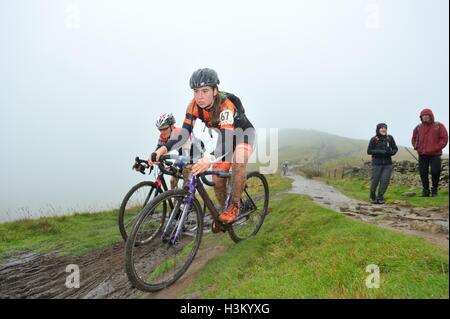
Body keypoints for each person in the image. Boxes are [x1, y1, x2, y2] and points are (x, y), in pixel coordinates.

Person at [149, 68, 255, 224]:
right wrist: (161, 150)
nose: (199, 96)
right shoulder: (193, 106)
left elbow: (228, 138)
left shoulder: (226, 106)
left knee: (238, 163)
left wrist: (209, 158)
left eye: (205, 91)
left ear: (215, 91)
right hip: (225, 136)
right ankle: (224, 210)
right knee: (217, 178)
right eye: (196, 91)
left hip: (243, 135)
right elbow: (184, 134)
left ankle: (234, 207)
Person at [411, 108, 448, 197]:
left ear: (431, 116)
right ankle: (425, 191)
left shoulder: (439, 126)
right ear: (421, 117)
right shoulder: (418, 127)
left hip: (435, 154)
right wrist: (417, 147)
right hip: (422, 154)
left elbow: (444, 138)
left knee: (435, 172)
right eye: (423, 116)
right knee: (423, 173)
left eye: (427, 115)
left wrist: (436, 148)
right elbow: (414, 138)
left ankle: (434, 190)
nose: (425, 117)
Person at [367, 123, 398, 204]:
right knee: (375, 181)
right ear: (378, 129)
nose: (384, 129)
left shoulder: (389, 138)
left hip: (388, 164)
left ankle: (380, 197)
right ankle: (372, 197)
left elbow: (395, 148)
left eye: (385, 128)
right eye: (381, 128)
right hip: (376, 164)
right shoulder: (374, 139)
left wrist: (391, 153)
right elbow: (369, 151)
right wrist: (380, 152)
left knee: (385, 181)